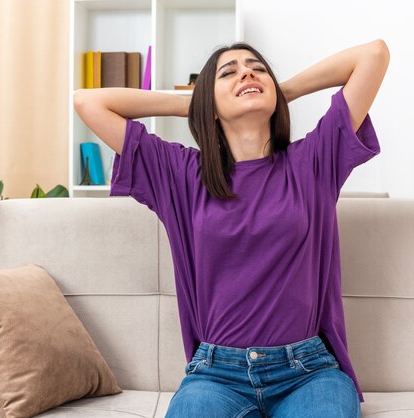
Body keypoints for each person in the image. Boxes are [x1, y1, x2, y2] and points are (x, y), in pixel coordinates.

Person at [74, 40, 389, 418]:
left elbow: (373, 55)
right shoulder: (181, 175)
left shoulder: (314, 161)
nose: (247, 72)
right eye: (229, 72)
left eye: (257, 68)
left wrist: (282, 90)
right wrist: (194, 104)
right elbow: (87, 102)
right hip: (216, 376)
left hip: (308, 373)